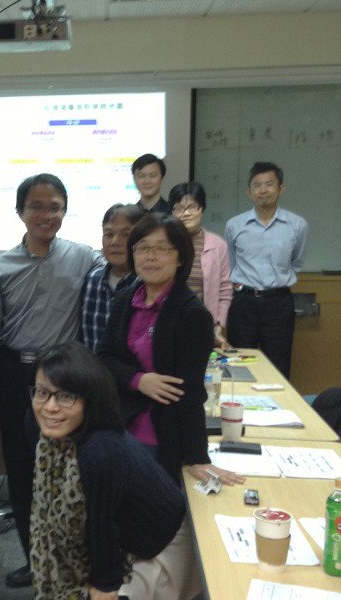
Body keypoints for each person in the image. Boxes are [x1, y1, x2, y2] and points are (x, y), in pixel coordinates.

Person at [0, 173, 104, 588]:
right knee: (21, 474)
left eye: (55, 207)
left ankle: (69, 562)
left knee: (67, 473)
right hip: (15, 375)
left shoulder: (84, 257)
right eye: (36, 206)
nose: (46, 215)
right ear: (20, 211)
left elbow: (121, 269)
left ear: (65, 211)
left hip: (63, 377)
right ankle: (35, 561)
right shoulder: (0, 267)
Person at [30, 341, 190, 600]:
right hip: (122, 536)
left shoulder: (101, 450)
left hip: (159, 546)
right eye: (42, 392)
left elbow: (102, 525)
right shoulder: (45, 433)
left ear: (89, 399)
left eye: (65, 396)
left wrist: (105, 584)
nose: (49, 407)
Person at [97, 214, 244, 485]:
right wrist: (138, 380)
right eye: (142, 248)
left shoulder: (192, 314)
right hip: (118, 426)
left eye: (162, 248)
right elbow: (104, 357)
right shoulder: (125, 299)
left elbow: (190, 393)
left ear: (180, 257)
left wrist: (198, 456)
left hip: (158, 436)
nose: (150, 256)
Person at [225, 162, 308, 378]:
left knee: (278, 367)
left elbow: (296, 262)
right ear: (249, 191)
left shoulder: (297, 225)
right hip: (243, 303)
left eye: (269, 184)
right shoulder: (234, 225)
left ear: (281, 189)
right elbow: (232, 263)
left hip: (278, 303)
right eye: (257, 185)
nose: (263, 190)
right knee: (238, 366)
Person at [169, 182, 233, 349]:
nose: (186, 213)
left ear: (202, 209)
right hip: (168, 323)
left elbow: (225, 290)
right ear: (172, 213)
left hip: (204, 325)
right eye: (179, 208)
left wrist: (218, 325)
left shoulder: (218, 245)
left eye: (192, 207)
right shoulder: (165, 243)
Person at [80, 203, 145, 352]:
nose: (115, 242)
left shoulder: (147, 285)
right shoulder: (92, 280)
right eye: (108, 234)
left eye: (126, 235)